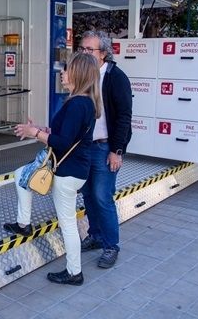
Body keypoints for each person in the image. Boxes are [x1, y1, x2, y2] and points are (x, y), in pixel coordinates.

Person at [4, 53, 101, 286]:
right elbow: (66, 134)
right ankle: (23, 224)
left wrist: (35, 133)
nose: (62, 73)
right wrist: (40, 129)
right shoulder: (84, 102)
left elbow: (63, 142)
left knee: (67, 224)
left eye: (67, 70)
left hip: (68, 172)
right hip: (74, 169)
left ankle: (74, 272)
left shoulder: (77, 104)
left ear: (78, 74)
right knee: (21, 176)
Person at [78, 30, 133, 269]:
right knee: (88, 195)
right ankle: (96, 236)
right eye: (82, 49)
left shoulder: (116, 77)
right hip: (84, 147)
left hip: (105, 147)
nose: (84, 53)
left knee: (102, 196)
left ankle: (111, 246)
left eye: (90, 50)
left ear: (103, 53)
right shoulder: (83, 75)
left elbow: (124, 117)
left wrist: (117, 150)